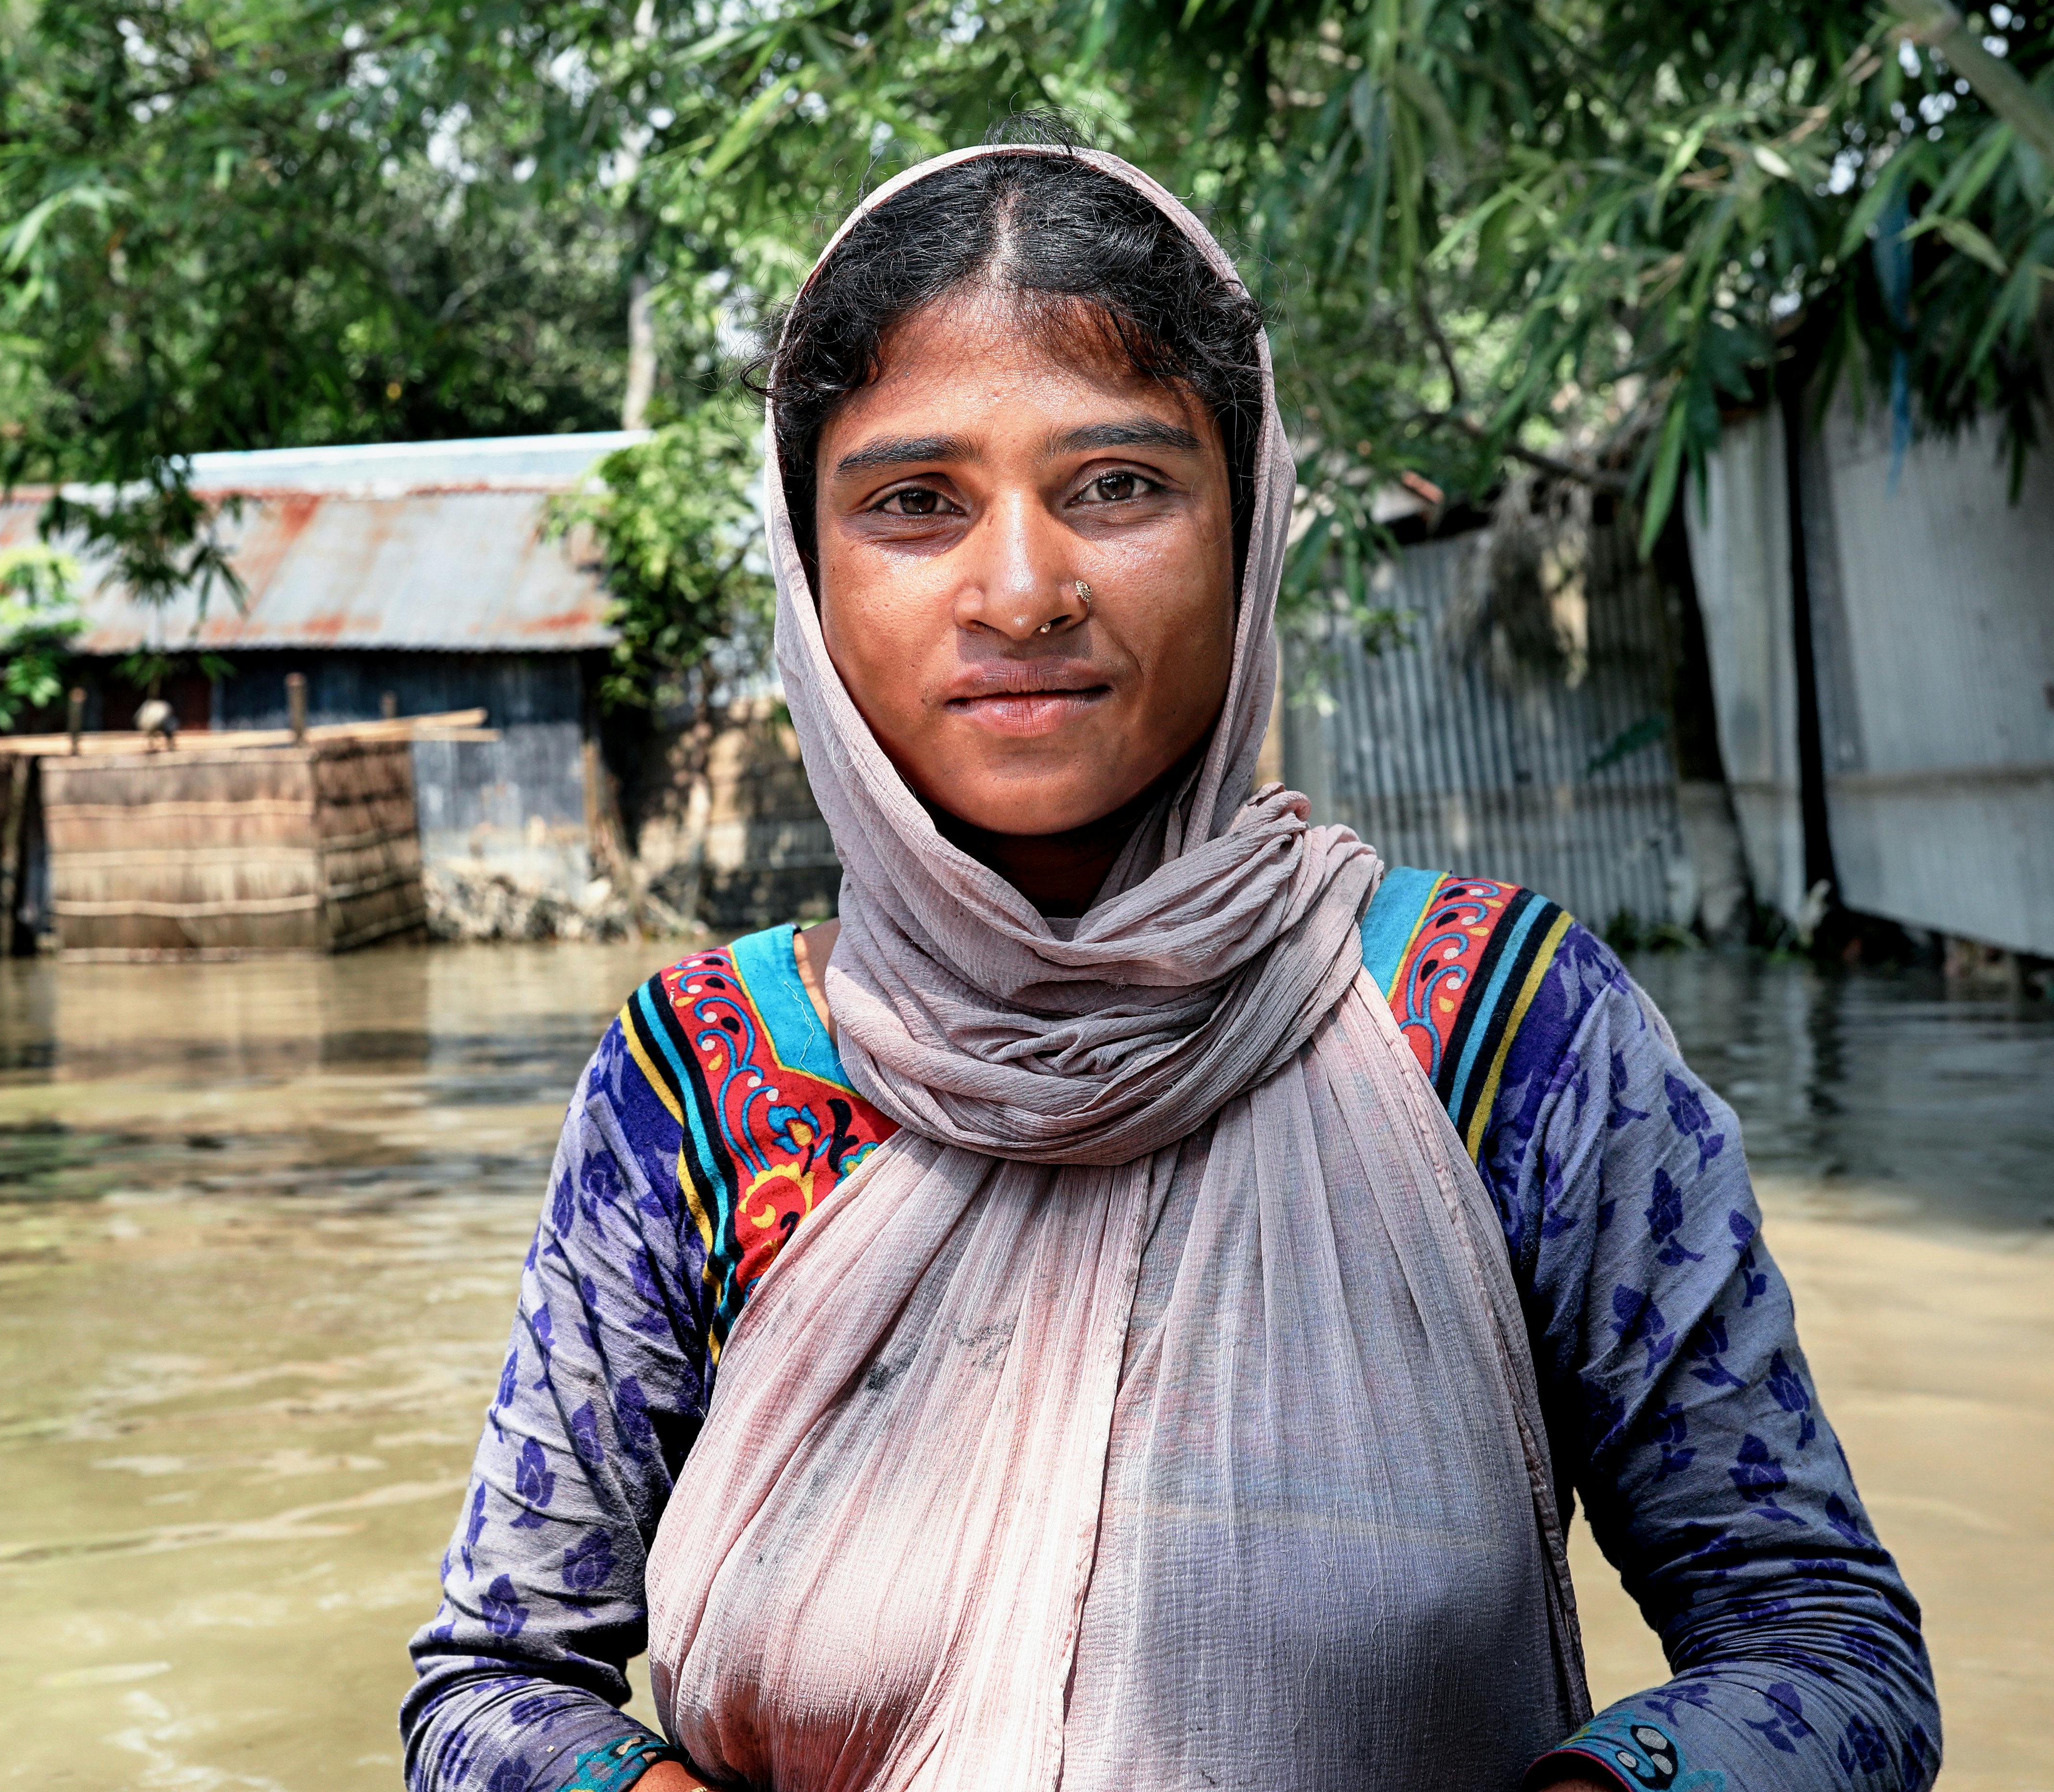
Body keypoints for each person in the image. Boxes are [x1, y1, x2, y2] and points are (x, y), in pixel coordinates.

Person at [402, 137, 1938, 1792]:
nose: (1024, 590)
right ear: (811, 567)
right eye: (915, 503)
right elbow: (495, 1687)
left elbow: (1823, 1651)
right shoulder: (704, 1075)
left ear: (1247, 518)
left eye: (1118, 486)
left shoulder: (1497, 1031)